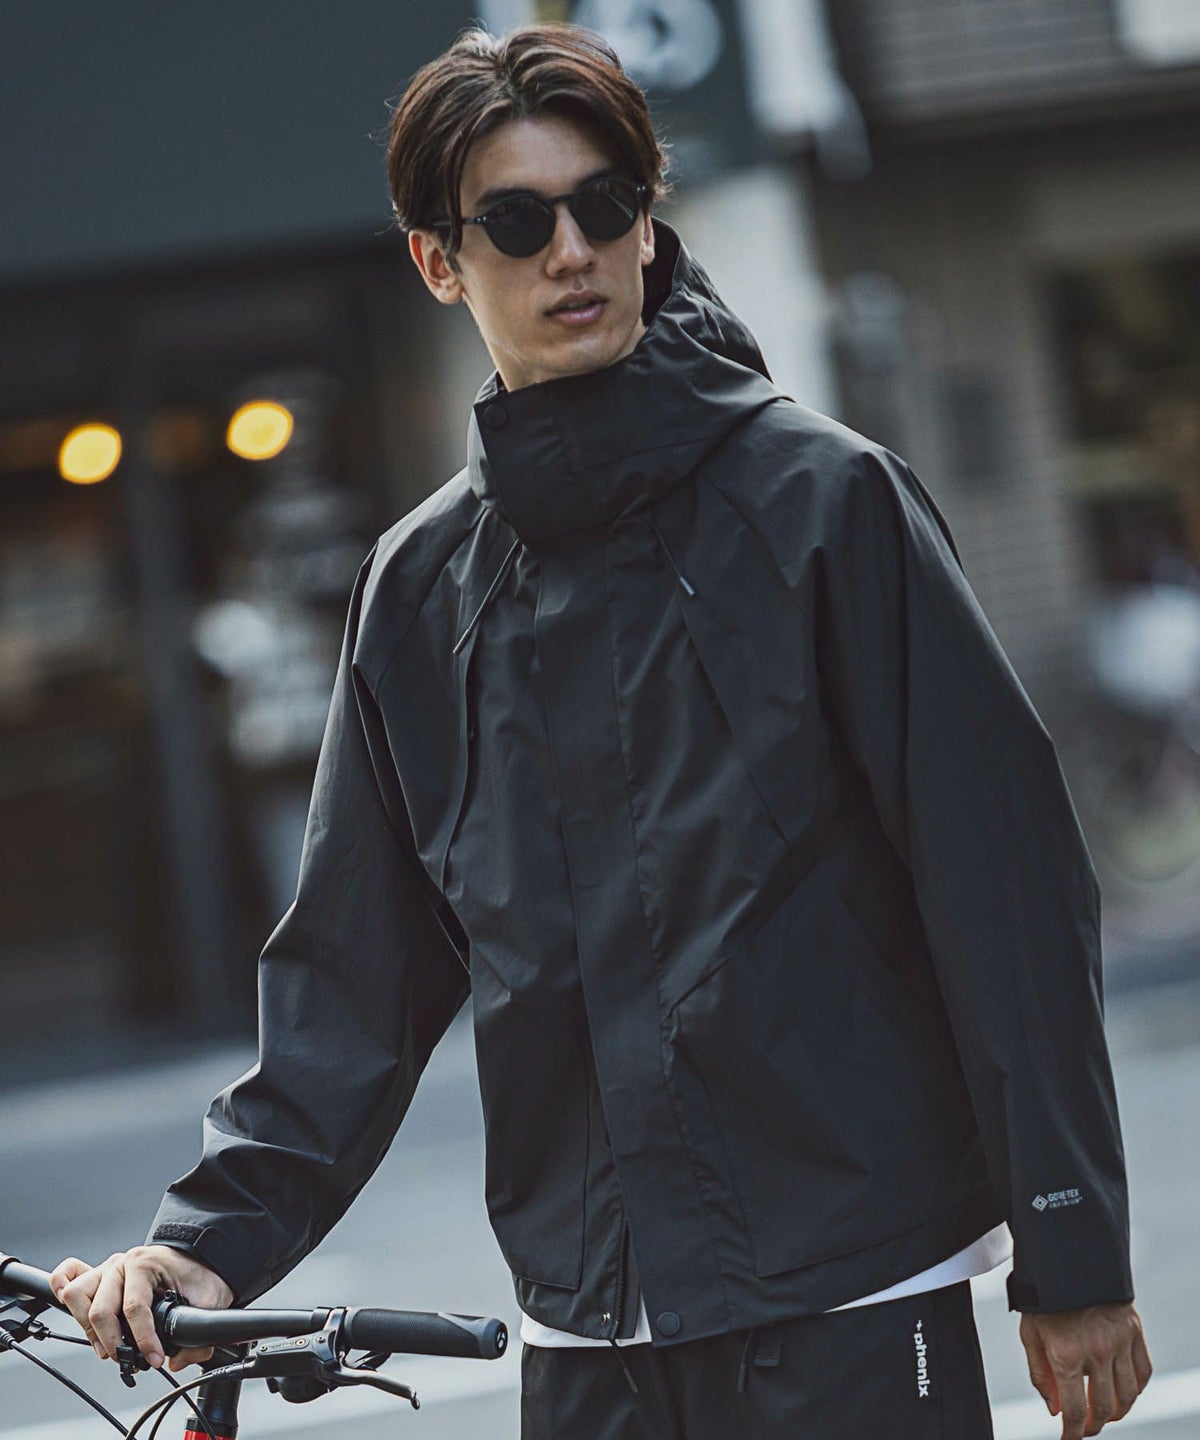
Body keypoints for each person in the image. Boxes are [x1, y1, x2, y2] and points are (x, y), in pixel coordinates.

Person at [53, 22, 1153, 1439]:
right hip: (587, 1335)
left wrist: (1073, 1245)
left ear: (648, 223)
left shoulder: (827, 507)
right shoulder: (418, 590)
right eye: (516, 222)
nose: (570, 250)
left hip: (852, 1298)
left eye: (604, 205)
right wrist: (207, 1241)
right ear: (438, 262)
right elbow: (352, 970)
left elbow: (1005, 891)